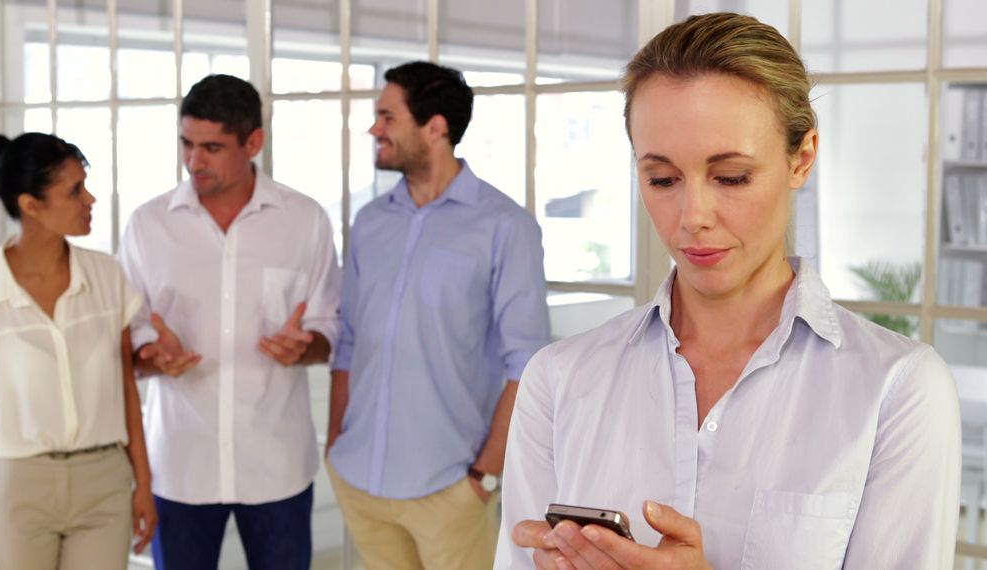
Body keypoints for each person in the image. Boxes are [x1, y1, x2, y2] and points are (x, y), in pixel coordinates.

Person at [499, 12, 960, 570]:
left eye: (732, 177)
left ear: (802, 158)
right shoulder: (558, 379)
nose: (692, 216)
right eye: (662, 179)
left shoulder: (896, 391)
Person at [326, 60, 551, 569]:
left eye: (387, 116)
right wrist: (336, 444)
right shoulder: (370, 221)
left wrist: (484, 477)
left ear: (436, 128)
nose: (374, 129)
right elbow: (350, 341)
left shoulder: (504, 227)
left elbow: (528, 365)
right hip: (359, 478)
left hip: (449, 490)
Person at [117, 74, 340, 570]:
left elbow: (328, 325)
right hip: (180, 465)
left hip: (276, 463)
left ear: (253, 142)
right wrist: (152, 354)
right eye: (187, 144)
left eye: (212, 147)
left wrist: (304, 348)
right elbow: (127, 335)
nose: (195, 161)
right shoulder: (147, 226)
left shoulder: (305, 221)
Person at [0, 132, 156, 570]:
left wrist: (144, 483)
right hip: (17, 488)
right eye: (74, 190)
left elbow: (125, 389)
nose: (89, 198)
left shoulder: (106, 276)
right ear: (30, 204)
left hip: (104, 483)